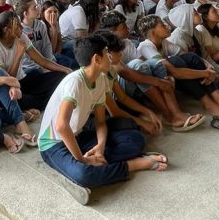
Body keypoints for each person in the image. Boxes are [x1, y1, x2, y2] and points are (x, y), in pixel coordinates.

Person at [38, 34, 167, 205]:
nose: (111, 56)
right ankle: (133, 164)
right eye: (107, 53)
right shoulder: (75, 83)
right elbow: (61, 126)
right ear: (96, 59)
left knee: (135, 139)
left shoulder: (99, 80)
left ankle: (94, 163)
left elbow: (100, 121)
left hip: (78, 135)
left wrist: (100, 146)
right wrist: (82, 159)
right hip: (53, 144)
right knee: (84, 174)